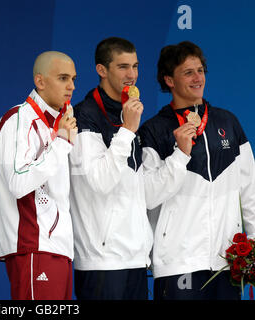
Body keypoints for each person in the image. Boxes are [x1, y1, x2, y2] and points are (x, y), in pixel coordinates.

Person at [139, 41, 255, 300]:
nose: (197, 78)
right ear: (169, 79)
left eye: (200, 70)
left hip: (227, 262)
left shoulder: (228, 122)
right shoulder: (154, 130)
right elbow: (148, 196)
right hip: (178, 262)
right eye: (188, 72)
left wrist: (254, 242)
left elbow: (251, 190)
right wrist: (180, 154)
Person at [69, 37, 153, 300]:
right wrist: (127, 130)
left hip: (136, 258)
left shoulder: (129, 112)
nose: (132, 75)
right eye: (123, 67)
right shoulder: (84, 114)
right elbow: (99, 181)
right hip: (102, 261)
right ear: (101, 70)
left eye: (135, 66)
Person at [0, 51, 78, 300]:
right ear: (40, 81)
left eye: (73, 78)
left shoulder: (58, 123)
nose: (71, 86)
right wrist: (60, 143)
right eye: (62, 78)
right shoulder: (19, 118)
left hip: (57, 248)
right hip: (33, 247)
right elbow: (18, 183)